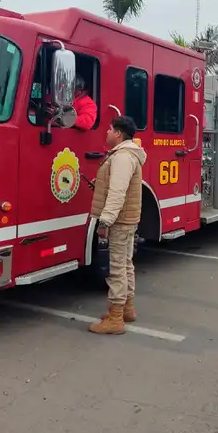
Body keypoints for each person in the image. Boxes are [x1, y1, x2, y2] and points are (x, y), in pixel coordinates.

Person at [88, 115, 147, 335]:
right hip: (127, 219)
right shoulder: (128, 154)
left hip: (120, 221)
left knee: (117, 268)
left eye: (110, 129)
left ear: (119, 134)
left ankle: (115, 319)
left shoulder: (122, 157)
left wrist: (105, 220)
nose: (107, 132)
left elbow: (117, 192)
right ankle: (127, 310)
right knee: (126, 264)